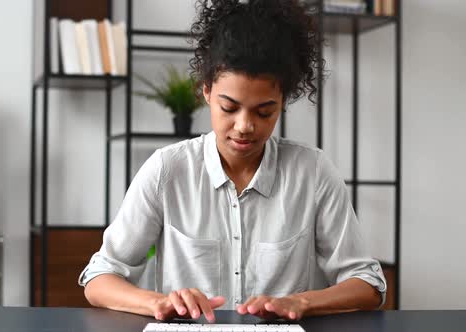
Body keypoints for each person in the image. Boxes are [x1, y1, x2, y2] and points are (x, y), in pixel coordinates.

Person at [79, 0, 386, 323]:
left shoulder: (312, 172)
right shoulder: (167, 170)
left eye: (264, 112)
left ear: (283, 100)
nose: (245, 126)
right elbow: (99, 277)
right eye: (229, 107)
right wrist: (157, 302)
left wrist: (303, 302)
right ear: (207, 92)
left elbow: (368, 284)